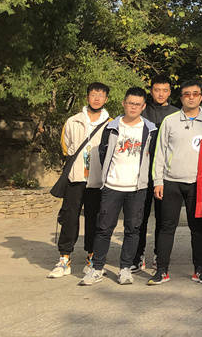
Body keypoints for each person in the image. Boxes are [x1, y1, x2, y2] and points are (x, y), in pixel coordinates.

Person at [79, 88, 157, 286]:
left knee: (133, 229)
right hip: (112, 186)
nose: (133, 107)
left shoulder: (150, 130)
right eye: (130, 103)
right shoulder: (112, 127)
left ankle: (125, 268)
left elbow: (153, 156)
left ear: (143, 106)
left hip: (137, 188)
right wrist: (108, 177)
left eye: (137, 104)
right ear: (124, 103)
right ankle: (97, 268)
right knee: (104, 228)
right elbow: (103, 152)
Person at [148, 80, 202, 285]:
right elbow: (160, 152)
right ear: (180, 97)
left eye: (195, 94)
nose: (191, 97)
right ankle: (161, 270)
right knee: (166, 226)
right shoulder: (170, 121)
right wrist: (158, 181)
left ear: (201, 97)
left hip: (198, 183)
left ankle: (200, 269)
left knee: (198, 227)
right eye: (187, 94)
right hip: (171, 181)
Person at [48, 82, 111, 279]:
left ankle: (91, 257)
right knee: (69, 218)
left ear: (106, 99)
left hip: (97, 180)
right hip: (75, 178)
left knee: (94, 219)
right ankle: (64, 258)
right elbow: (66, 147)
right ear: (87, 97)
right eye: (93, 94)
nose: (97, 98)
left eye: (101, 95)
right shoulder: (73, 121)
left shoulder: (111, 124)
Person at [133, 74, 178, 273]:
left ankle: (160, 255)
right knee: (139, 217)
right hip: (142, 172)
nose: (161, 94)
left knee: (163, 217)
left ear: (170, 92)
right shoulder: (142, 111)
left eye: (165, 90)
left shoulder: (176, 114)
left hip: (165, 174)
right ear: (151, 91)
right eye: (157, 90)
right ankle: (137, 255)